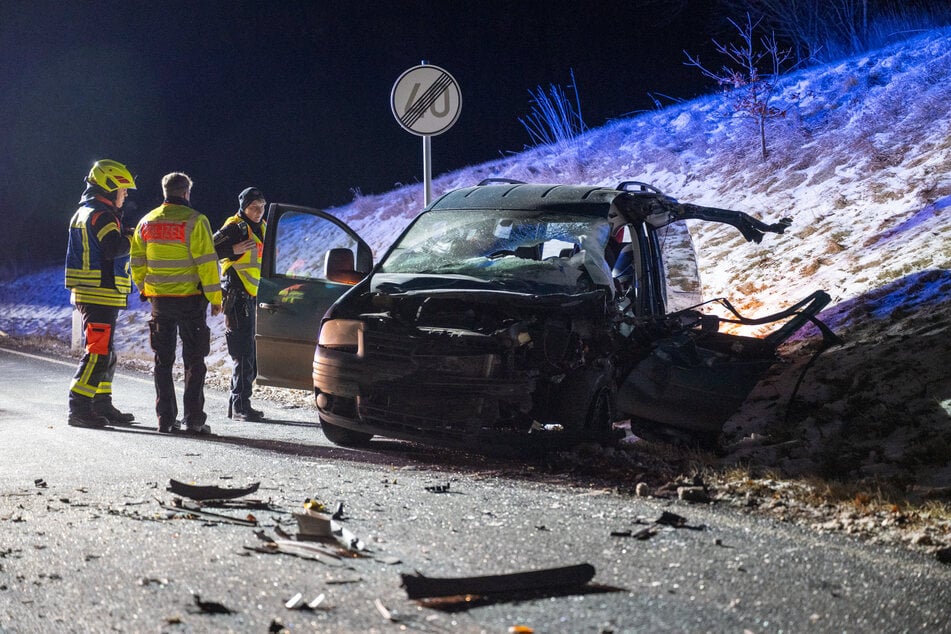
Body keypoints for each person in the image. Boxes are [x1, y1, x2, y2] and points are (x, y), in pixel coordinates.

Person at [130, 172, 222, 435]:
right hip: (191, 301)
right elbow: (207, 263)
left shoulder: (146, 221)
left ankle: (165, 419)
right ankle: (194, 420)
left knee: (163, 361)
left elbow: (136, 261)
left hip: (160, 301)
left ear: (165, 192)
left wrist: (144, 289)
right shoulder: (196, 220)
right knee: (194, 361)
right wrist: (215, 298)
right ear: (186, 193)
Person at [64, 159, 139, 429]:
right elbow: (112, 248)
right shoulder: (102, 215)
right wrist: (134, 238)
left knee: (106, 352)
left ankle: (101, 404)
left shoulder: (86, 212)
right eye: (123, 190)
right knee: (97, 353)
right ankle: (79, 407)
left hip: (96, 293)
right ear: (109, 187)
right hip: (99, 294)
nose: (126, 194)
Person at [214, 187, 267, 421]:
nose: (258, 211)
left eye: (262, 207)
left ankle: (241, 403)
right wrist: (231, 250)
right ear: (244, 207)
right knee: (243, 353)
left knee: (250, 355)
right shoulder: (236, 227)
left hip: (251, 296)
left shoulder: (262, 227)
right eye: (254, 207)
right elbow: (207, 249)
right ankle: (239, 405)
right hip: (236, 297)